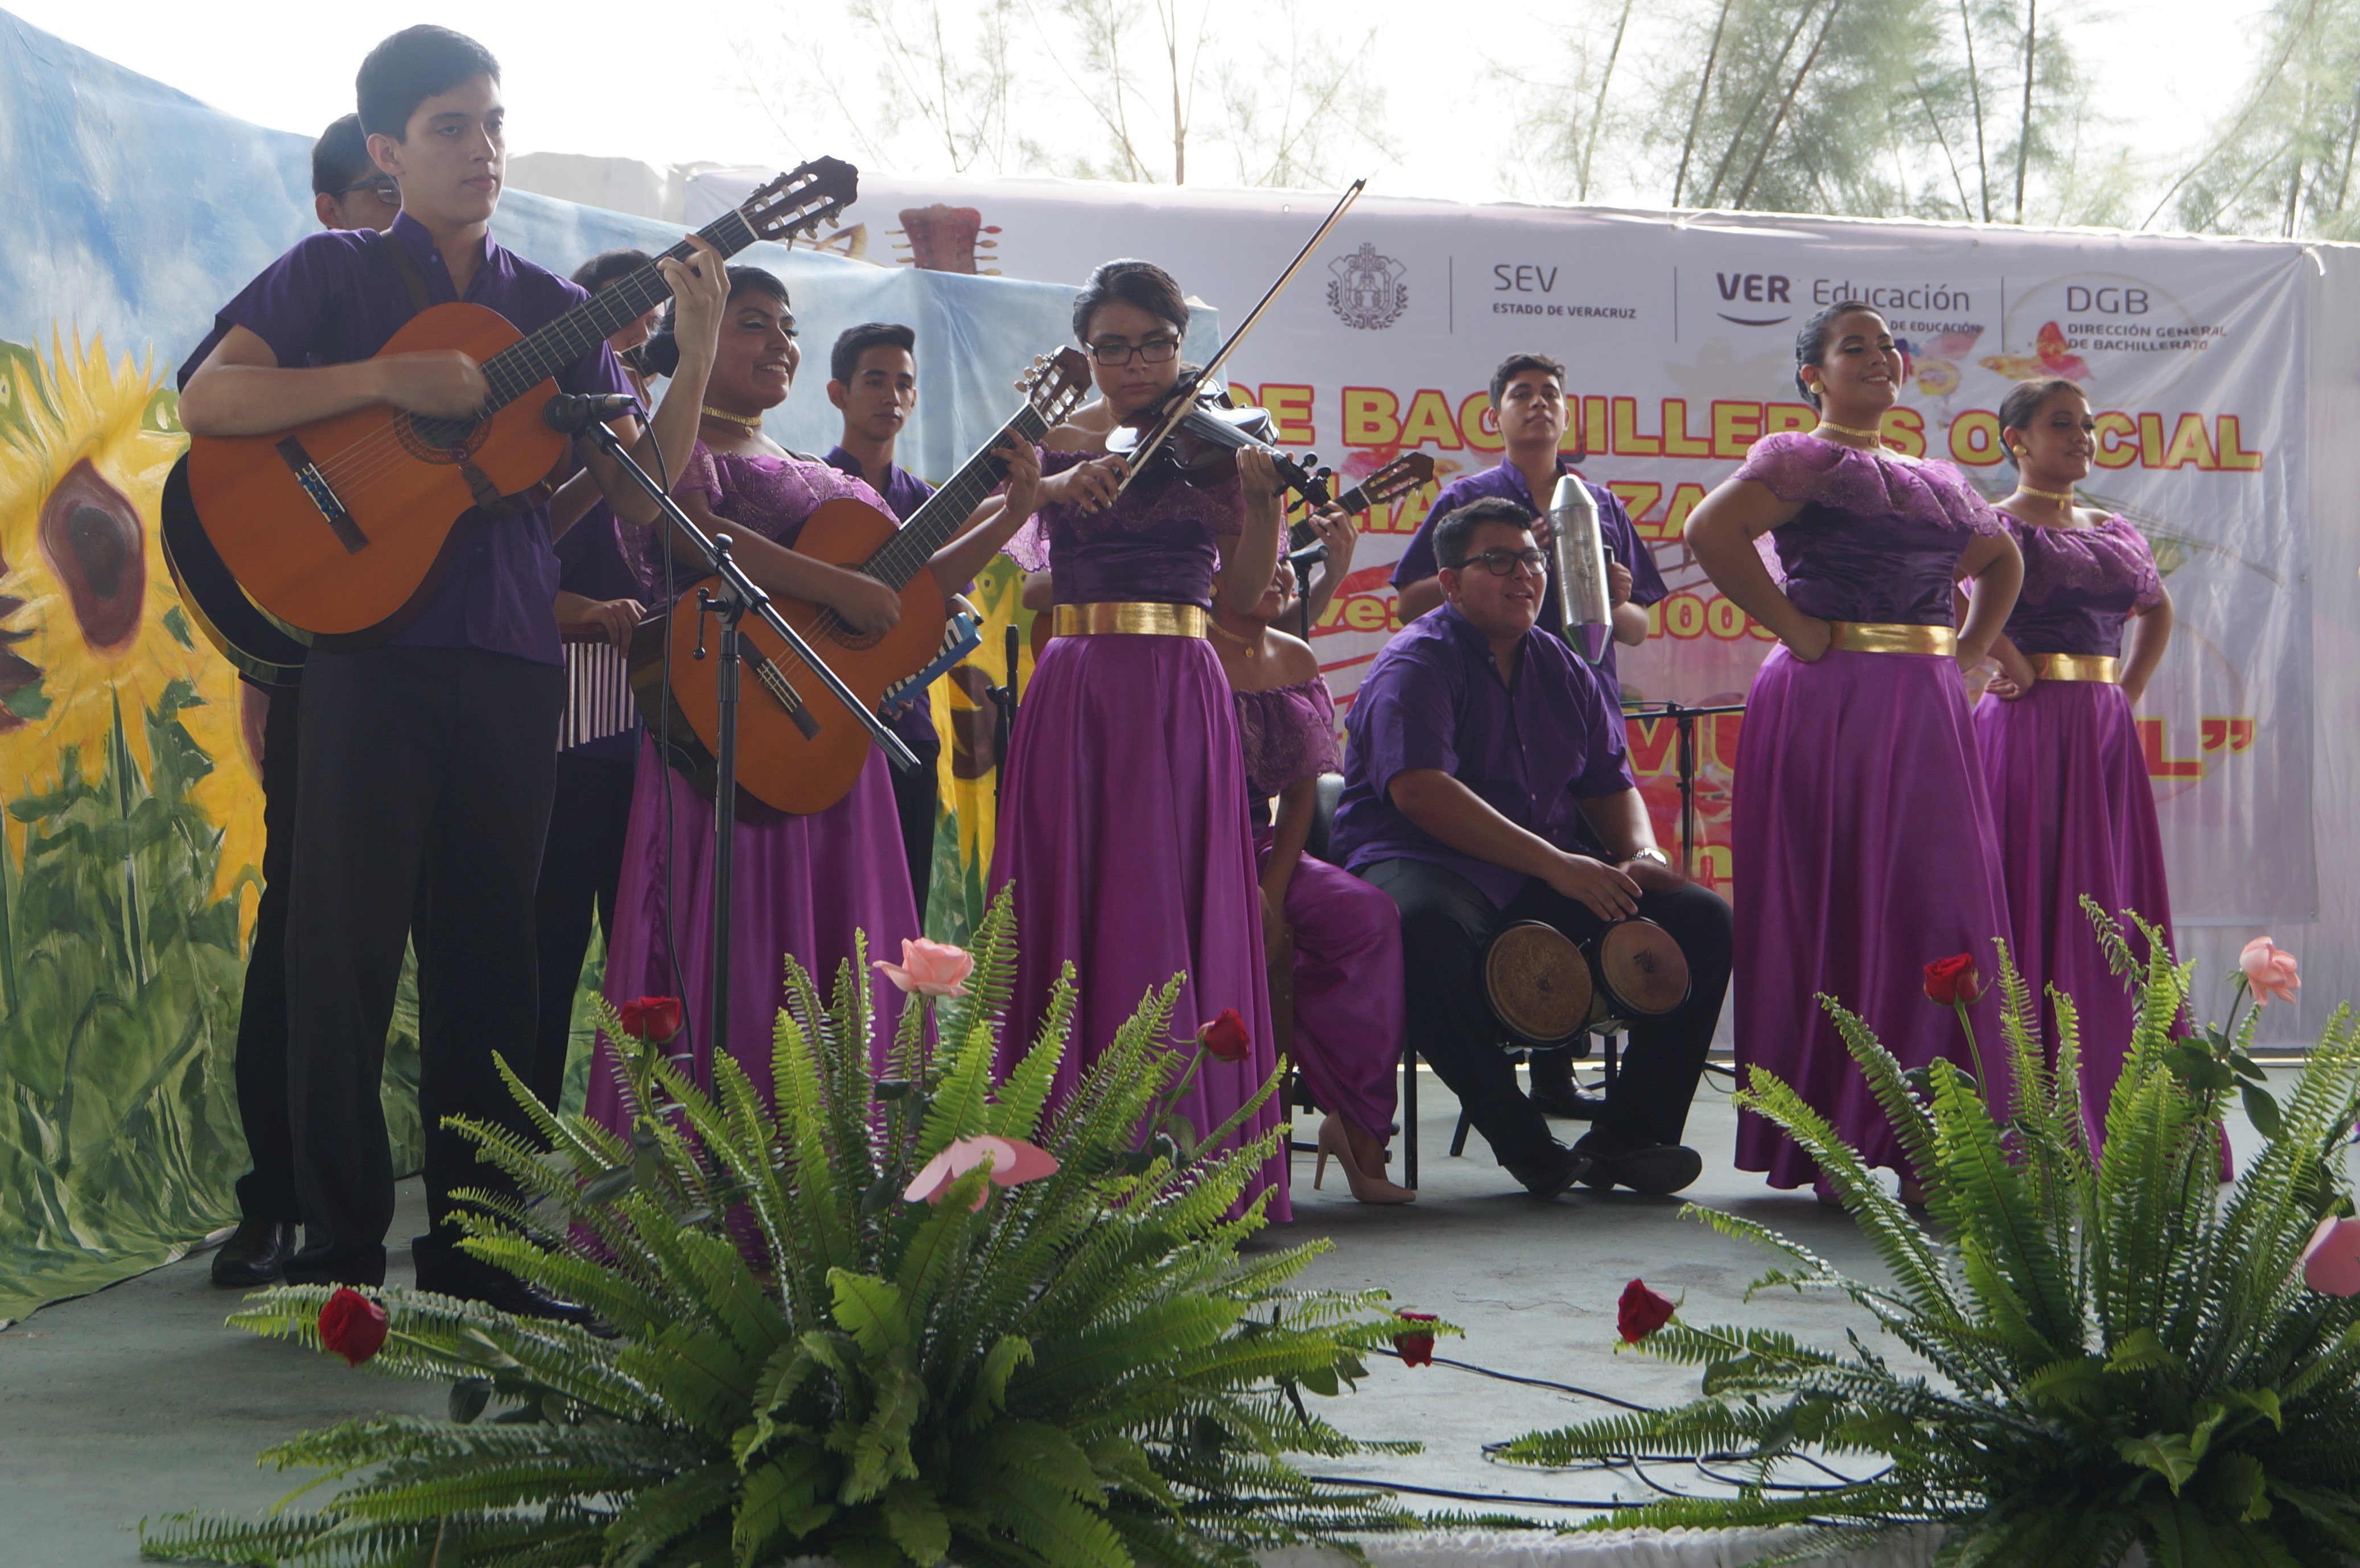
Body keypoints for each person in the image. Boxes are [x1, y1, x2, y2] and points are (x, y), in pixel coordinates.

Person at [177, 26, 727, 1310]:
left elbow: (638, 502)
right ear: (386, 150)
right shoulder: (329, 270)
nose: (480, 149)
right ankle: (338, 1239)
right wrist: (385, 377)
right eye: (448, 129)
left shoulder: (554, 308)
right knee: (342, 950)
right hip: (366, 650)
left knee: (496, 954)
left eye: (492, 123)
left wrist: (692, 353)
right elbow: (213, 402)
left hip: (507, 655)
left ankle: (480, 1247)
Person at [587, 269, 1039, 1122]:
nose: (780, 343)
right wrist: (832, 589)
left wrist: (1006, 514)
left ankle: (845, 1182)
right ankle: (730, 1190)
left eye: (787, 327)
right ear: (699, 333)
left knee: (846, 960)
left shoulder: (803, 466)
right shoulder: (676, 442)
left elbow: (899, 591)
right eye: (753, 324)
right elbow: (692, 530)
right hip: (732, 731)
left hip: (836, 745)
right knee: (744, 950)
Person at [1682, 301, 2023, 1203]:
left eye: (1884, 346)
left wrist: (1971, 654)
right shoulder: (1802, 459)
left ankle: (1942, 1133)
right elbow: (1709, 532)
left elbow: (2001, 563)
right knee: (1838, 899)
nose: (1876, 357)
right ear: (1812, 375)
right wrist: (1791, 624)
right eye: (1851, 347)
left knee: (1942, 904)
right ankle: (1841, 1127)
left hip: (1923, 706)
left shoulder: (1937, 480)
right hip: (1827, 702)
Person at [994, 259, 1290, 1220]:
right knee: (1068, 895)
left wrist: (1269, 504)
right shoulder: (1055, 443)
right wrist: (1054, 486)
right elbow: (996, 543)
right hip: (1076, 682)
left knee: (1173, 895)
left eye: (1153, 344)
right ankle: (1063, 1160)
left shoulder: (1222, 443)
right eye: (1111, 347)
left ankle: (1188, 1163)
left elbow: (1243, 596)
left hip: (1180, 681)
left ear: (1180, 345)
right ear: (1087, 353)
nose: (1134, 364)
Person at [1333, 498, 1728, 1199]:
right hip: (1422, 859)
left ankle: (1629, 1134)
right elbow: (1421, 792)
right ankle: (1525, 1142)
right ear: (1450, 583)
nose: (1524, 574)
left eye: (1533, 559)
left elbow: (1608, 782)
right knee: (1422, 929)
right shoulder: (1417, 660)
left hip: (1543, 869)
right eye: (1499, 561)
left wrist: (1641, 852)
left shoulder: (1559, 662)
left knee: (1698, 920)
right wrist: (1559, 866)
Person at [209, 112, 402, 1289]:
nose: (400, 220)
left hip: (446, 677)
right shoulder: (315, 301)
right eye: (378, 196)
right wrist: (260, 663)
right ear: (334, 212)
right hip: (321, 674)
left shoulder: (478, 328)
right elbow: (239, 490)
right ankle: (276, 1199)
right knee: (303, 943)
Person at [1389, 352, 1666, 1120]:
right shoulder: (1469, 498)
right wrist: (1505, 560)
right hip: (1487, 717)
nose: (1537, 405)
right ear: (1496, 416)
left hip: (1578, 721)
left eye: (1549, 394)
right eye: (1520, 395)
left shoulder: (1599, 503)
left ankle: (1558, 1067)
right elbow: (1410, 598)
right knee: (1524, 883)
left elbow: (1637, 623)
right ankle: (1506, 1060)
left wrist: (1613, 592)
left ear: (1567, 413)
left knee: (1592, 885)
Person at [1974, 376, 2175, 1146]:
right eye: (2061, 424)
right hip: (2024, 727)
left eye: (2087, 426)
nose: (2081, 437)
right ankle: (2028, 1095)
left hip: (2099, 729)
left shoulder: (2114, 529)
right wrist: (2007, 658)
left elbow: (2154, 607)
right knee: (2027, 892)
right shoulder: (1992, 525)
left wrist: (2126, 689)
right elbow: (1950, 595)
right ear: (2014, 439)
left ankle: (2116, 1092)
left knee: (2110, 899)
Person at [1209, 556, 1412, 1204]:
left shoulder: (1293, 657)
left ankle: (1357, 1125)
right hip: (1179, 845)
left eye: (1285, 570)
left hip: (1258, 842)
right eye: (1261, 567)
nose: (1281, 578)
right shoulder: (1178, 647)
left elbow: (1300, 797)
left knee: (1367, 915)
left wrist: (1268, 890)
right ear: (1213, 575)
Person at [524, 248, 665, 1113]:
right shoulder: (544, 422)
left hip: (647, 723)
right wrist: (571, 604)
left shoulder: (650, 428)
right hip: (562, 719)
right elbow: (496, 557)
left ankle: (642, 1131)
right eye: (619, 316)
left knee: (643, 944)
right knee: (544, 939)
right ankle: (525, 1133)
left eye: (649, 321)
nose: (634, 335)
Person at [822, 321, 946, 914]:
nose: (891, 396)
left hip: (909, 731)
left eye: (903, 384)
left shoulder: (928, 501)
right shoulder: (807, 486)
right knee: (831, 905)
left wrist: (907, 676)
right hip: (820, 729)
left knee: (902, 911)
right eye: (874, 381)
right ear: (837, 392)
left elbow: (951, 606)